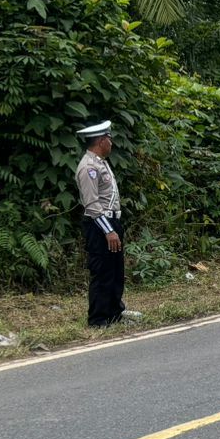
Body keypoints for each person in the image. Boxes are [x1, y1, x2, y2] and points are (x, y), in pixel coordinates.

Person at [73, 120, 141, 327]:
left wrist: (113, 227)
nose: (111, 143)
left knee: (115, 270)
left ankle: (115, 312)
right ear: (101, 141)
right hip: (99, 225)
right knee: (102, 271)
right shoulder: (88, 167)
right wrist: (109, 231)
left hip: (111, 221)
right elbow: (92, 205)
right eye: (109, 139)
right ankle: (98, 318)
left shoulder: (100, 162)